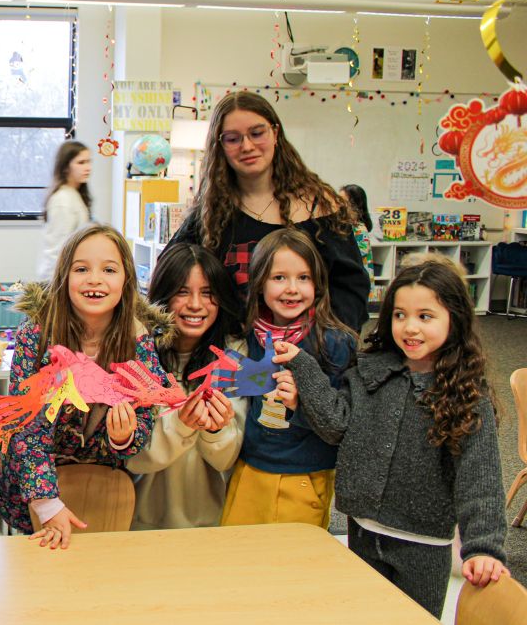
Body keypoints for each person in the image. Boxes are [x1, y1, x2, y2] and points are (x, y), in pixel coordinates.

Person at [280, 254, 508, 617]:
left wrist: (484, 547)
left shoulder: (466, 395)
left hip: (424, 543)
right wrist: (303, 373)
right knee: (362, 614)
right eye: (400, 315)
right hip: (363, 530)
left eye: (425, 316)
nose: (410, 327)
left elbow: (479, 479)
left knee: (414, 617)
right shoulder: (372, 371)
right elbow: (338, 426)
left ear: (456, 318)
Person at [0, 224, 163, 549]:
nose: (94, 279)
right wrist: (46, 502)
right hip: (36, 487)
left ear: (126, 281)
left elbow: (143, 425)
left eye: (109, 269)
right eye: (81, 269)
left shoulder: (139, 342)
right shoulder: (37, 336)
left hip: (101, 488)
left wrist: (123, 437)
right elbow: (24, 426)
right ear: (64, 277)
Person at [165, 92, 370, 333]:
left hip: (312, 355)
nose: (247, 146)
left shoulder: (321, 207)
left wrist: (323, 350)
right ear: (220, 145)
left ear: (275, 133)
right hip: (232, 357)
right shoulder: (211, 215)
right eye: (233, 138)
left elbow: (350, 291)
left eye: (257, 133)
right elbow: (169, 275)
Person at [219, 228, 356, 529]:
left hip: (304, 473)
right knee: (236, 557)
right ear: (259, 285)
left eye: (303, 278)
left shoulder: (333, 343)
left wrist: (300, 403)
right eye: (279, 277)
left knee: (290, 567)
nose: (292, 288)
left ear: (318, 284)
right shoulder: (251, 337)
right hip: (251, 467)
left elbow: (340, 423)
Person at [129, 242, 246, 530]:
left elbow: (228, 460)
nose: (196, 304)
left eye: (208, 293)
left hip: (211, 525)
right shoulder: (137, 354)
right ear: (163, 295)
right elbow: (132, 459)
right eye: (183, 292)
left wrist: (215, 430)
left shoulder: (234, 357)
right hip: (140, 524)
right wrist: (181, 425)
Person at [36, 140, 92, 281]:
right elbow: (57, 249)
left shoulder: (74, 194)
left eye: (88, 162)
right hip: (58, 279)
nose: (88, 167)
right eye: (81, 163)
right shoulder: (63, 200)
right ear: (66, 167)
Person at [340, 183, 374, 279]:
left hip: (358, 281)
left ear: (354, 205)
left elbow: (352, 260)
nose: (337, 204)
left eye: (342, 201)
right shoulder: (346, 225)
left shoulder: (359, 229)